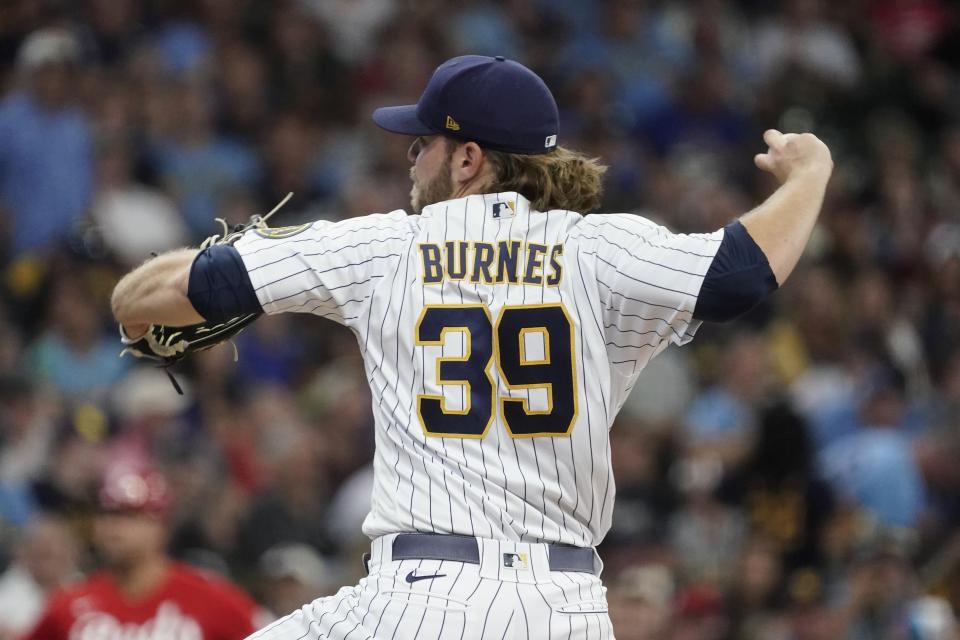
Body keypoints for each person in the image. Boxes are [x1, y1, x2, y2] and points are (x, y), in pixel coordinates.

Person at [111, 55, 833, 639]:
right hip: (568, 607)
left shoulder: (387, 243)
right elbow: (744, 271)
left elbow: (157, 299)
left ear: (468, 160)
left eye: (423, 143)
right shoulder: (603, 250)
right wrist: (811, 174)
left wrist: (151, 294)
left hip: (421, 598)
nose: (413, 157)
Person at [25, 465, 269, 639]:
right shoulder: (70, 603)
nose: (113, 527)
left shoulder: (211, 598)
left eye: (129, 516)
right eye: (106, 515)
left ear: (161, 527)